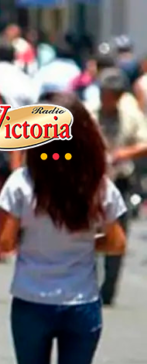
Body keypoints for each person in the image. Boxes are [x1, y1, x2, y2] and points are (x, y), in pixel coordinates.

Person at [0, 93, 127, 364]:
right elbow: (117, 244)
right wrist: (84, 242)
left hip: (31, 301)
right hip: (81, 306)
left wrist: (33, 237)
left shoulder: (22, 183)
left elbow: (4, 242)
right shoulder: (97, 186)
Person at [87, 68, 147, 305]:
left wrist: (124, 153)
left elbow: (144, 142)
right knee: (86, 234)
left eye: (110, 94)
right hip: (91, 182)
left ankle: (109, 288)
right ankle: (86, 284)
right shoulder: (90, 112)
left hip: (120, 181)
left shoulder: (130, 115)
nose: (105, 98)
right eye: (103, 93)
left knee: (116, 233)